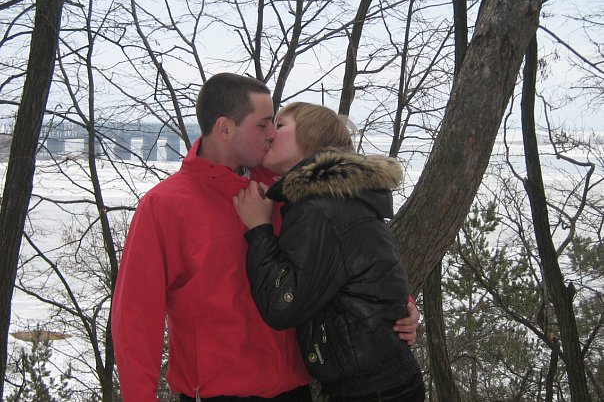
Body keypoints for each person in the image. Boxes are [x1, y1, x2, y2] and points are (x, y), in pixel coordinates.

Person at [111, 73, 420, 401]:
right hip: (219, 394)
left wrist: (399, 306)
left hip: (296, 390)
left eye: (275, 123)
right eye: (263, 124)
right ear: (224, 128)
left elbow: (349, 252)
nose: (271, 133)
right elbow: (136, 317)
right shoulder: (164, 206)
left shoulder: (286, 192)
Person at [233, 102, 425, 401]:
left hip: (371, 391)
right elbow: (368, 271)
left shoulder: (319, 208)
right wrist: (404, 303)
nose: (270, 133)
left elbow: (282, 307)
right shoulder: (339, 197)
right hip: (384, 381)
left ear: (310, 138)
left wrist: (259, 229)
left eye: (280, 125)